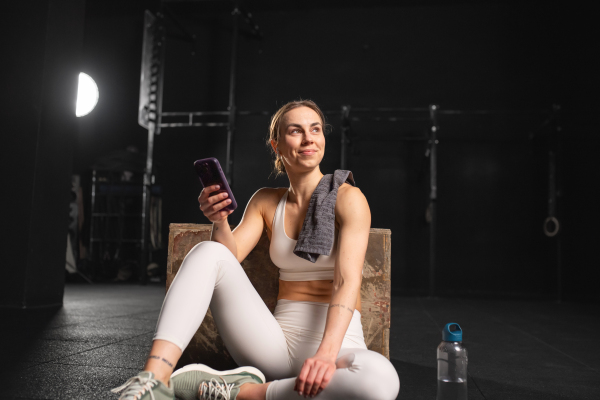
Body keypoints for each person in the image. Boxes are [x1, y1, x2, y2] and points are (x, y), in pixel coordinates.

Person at [112, 100, 400, 400]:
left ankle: (240, 392)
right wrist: (220, 220)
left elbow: (347, 281)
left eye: (315, 129)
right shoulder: (266, 201)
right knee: (207, 252)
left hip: (339, 347)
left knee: (380, 383)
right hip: (273, 345)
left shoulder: (348, 197)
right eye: (295, 131)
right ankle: (154, 381)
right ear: (276, 145)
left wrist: (325, 355)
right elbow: (225, 261)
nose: (308, 138)